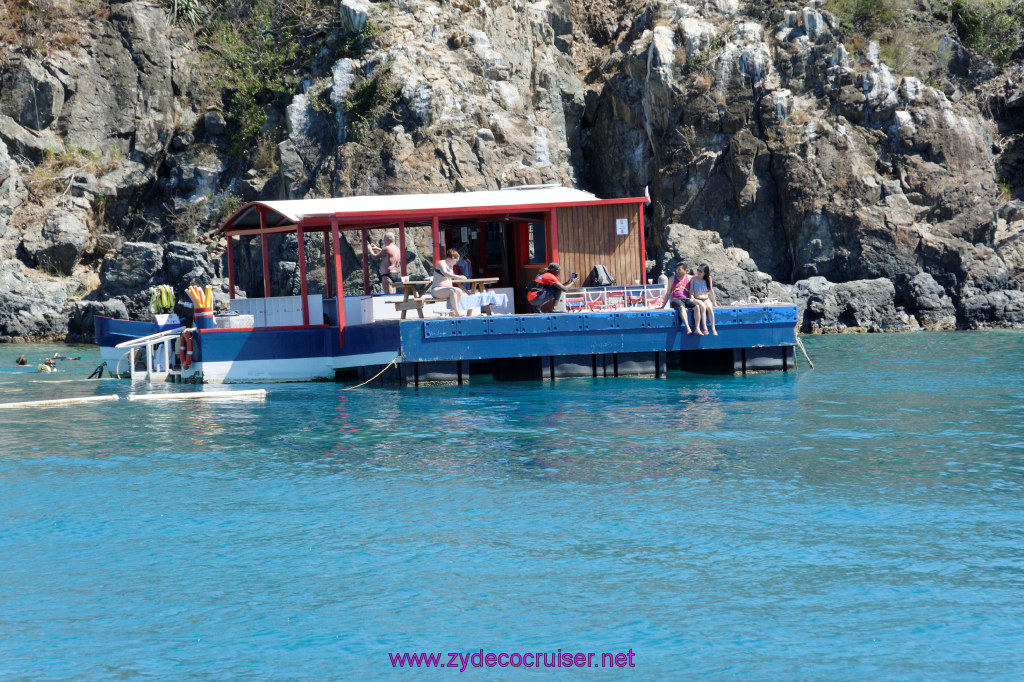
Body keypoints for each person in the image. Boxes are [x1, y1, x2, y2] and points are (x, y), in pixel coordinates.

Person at [660, 262, 702, 334]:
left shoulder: (690, 278)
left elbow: (695, 289)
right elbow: (668, 293)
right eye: (677, 269)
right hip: (675, 299)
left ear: (686, 270)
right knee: (682, 307)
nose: (678, 271)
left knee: (697, 307)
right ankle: (688, 327)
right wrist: (663, 306)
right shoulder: (672, 278)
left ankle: (697, 328)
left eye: (680, 269)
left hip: (687, 299)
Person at [431, 248, 468, 317]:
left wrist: (462, 278)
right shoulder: (441, 263)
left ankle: (452, 311)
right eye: (456, 260)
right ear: (453, 257)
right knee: (452, 291)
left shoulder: (451, 266)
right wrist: (459, 277)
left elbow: (450, 278)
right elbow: (445, 273)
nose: (456, 262)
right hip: (437, 289)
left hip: (446, 289)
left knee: (459, 291)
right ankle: (457, 312)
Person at [691, 263, 718, 335]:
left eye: (700, 271)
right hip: (697, 298)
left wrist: (714, 302)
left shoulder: (708, 279)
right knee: (702, 307)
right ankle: (705, 328)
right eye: (698, 270)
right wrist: (692, 297)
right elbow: (691, 290)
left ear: (705, 273)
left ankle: (713, 328)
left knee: (709, 308)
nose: (698, 272)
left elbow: (711, 291)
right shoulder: (693, 279)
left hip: (706, 298)